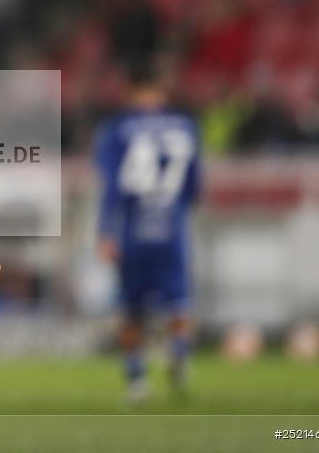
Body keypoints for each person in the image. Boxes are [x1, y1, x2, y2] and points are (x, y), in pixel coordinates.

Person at [95, 63, 201, 403]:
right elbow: (194, 186)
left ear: (129, 90)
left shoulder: (117, 128)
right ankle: (178, 352)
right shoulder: (185, 126)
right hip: (171, 228)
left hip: (133, 229)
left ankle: (137, 381)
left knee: (130, 309)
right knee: (179, 304)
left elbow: (112, 186)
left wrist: (105, 232)